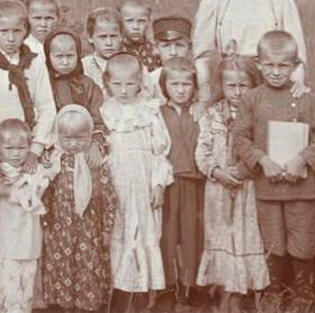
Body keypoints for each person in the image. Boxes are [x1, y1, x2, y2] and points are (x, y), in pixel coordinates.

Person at [232, 31, 315, 300]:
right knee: (273, 242)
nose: (276, 72)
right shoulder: (251, 99)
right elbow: (240, 138)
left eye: (283, 66)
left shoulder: (307, 98)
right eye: (269, 65)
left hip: (302, 189)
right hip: (267, 188)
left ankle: (303, 294)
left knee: (302, 242)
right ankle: (274, 291)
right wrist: (262, 160)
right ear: (259, 63)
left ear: (295, 66)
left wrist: (302, 158)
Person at [195, 55, 269, 313]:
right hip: (217, 189)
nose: (237, 92)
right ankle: (225, 293)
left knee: (247, 236)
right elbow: (201, 151)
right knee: (221, 236)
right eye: (231, 86)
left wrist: (245, 170)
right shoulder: (211, 115)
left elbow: (263, 148)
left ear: (254, 85)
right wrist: (216, 172)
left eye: (243, 85)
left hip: (248, 188)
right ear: (222, 86)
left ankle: (248, 293)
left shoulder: (260, 114)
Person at [100, 52, 173, 311]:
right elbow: (102, 151)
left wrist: (158, 184)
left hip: (142, 181)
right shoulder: (105, 112)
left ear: (140, 82)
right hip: (117, 182)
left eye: (129, 84)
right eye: (117, 84)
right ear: (107, 82)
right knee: (119, 232)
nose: (123, 90)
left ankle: (142, 295)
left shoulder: (148, 110)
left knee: (142, 231)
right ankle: (118, 294)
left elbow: (160, 151)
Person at [0, 118, 59, 313]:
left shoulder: (34, 174)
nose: (16, 153)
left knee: (25, 292)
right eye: (9, 148)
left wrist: (7, 190)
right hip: (6, 246)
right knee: (7, 292)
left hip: (29, 243)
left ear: (29, 147)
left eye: (21, 148)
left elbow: (38, 188)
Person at [41, 105, 116, 312]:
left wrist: (107, 228)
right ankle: (65, 304)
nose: (74, 144)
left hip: (88, 226)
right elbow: (46, 195)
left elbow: (109, 196)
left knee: (87, 264)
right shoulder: (56, 162)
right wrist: (46, 225)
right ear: (59, 137)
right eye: (68, 139)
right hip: (61, 226)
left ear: (89, 136)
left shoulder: (94, 161)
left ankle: (87, 305)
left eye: (80, 138)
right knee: (63, 262)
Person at [0, 0, 57, 176]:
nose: (10, 38)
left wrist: (35, 150)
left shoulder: (35, 63)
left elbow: (47, 107)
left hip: (26, 149)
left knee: (28, 197)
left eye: (17, 31)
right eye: (4, 31)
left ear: (26, 31)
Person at [158, 57, 205, 308]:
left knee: (192, 234)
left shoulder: (200, 112)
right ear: (164, 86)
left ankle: (190, 284)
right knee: (167, 233)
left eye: (186, 84)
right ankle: (167, 283)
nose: (180, 89)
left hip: (194, 181)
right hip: (168, 182)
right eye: (174, 84)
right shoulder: (156, 112)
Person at [43, 28, 106, 167]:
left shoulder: (87, 85)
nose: (65, 62)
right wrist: (43, 148)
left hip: (85, 147)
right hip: (55, 149)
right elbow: (41, 117)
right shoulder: (44, 85)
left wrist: (95, 143)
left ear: (78, 55)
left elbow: (99, 117)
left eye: (70, 56)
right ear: (48, 56)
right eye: (59, 57)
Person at [148, 16, 193, 104]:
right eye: (166, 46)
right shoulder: (150, 80)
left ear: (190, 47)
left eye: (180, 45)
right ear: (155, 48)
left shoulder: (198, 77)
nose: (173, 52)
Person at [81, 7, 124, 92]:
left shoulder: (132, 63)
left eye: (113, 36)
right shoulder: (83, 67)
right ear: (90, 37)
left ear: (121, 36)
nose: (109, 43)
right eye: (102, 37)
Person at [117, 0, 160, 72]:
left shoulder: (155, 50)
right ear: (119, 22)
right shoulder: (115, 50)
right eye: (129, 21)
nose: (136, 27)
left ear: (149, 22)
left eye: (141, 21)